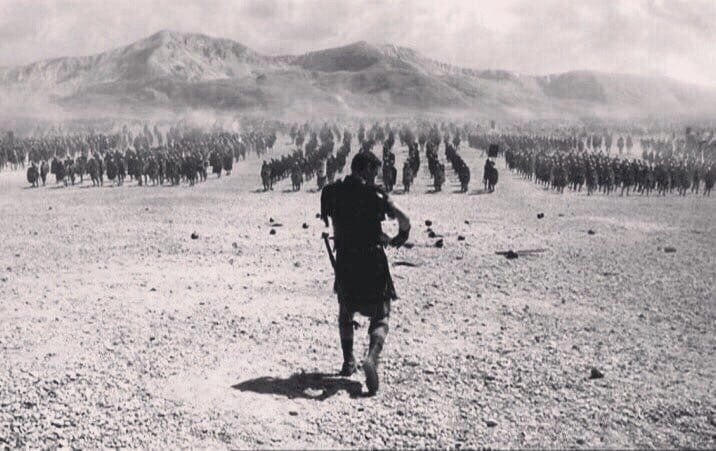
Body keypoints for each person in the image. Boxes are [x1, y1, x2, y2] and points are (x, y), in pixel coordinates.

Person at [320, 152, 411, 395]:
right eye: (374, 171)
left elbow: (330, 223)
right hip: (372, 262)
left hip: (346, 261)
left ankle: (348, 361)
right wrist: (401, 234)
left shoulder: (332, 192)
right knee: (381, 315)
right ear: (366, 169)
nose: (376, 176)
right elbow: (404, 220)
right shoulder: (375, 195)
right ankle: (371, 357)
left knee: (346, 311)